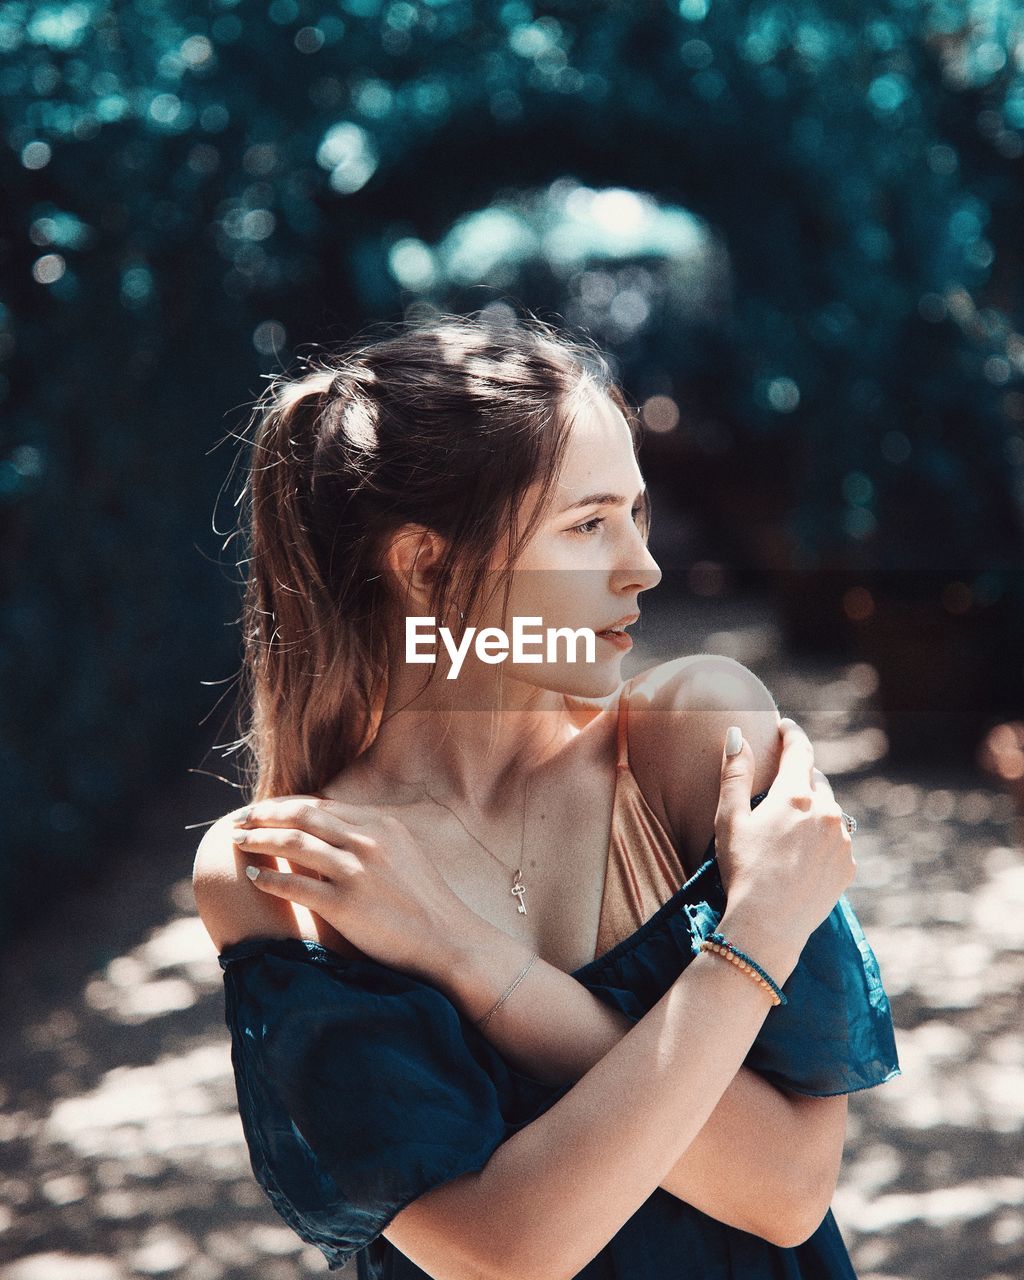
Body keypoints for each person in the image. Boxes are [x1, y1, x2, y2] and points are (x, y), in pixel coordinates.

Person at [193, 310, 900, 1280]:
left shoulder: (693, 737)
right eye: (586, 524)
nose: (643, 566)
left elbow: (786, 1188)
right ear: (425, 564)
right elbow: (504, 1250)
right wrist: (754, 940)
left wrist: (469, 959)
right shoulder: (284, 865)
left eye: (636, 514)